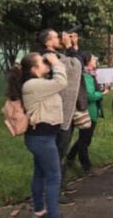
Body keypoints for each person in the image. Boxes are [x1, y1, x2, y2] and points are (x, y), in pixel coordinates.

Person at [7, 51, 67, 218]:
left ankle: (39, 209)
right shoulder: (33, 84)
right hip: (42, 138)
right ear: (34, 68)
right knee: (54, 177)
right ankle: (53, 215)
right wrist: (55, 62)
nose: (46, 63)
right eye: (43, 62)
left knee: (40, 173)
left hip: (41, 137)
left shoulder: (38, 82)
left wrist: (56, 61)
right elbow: (61, 82)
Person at [38, 28, 83, 206]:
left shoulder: (56, 56)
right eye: (56, 37)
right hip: (56, 115)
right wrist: (70, 46)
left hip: (61, 112)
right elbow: (74, 67)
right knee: (56, 154)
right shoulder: (48, 57)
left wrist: (73, 46)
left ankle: (59, 185)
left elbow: (73, 62)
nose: (60, 39)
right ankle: (52, 194)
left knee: (60, 153)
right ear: (48, 42)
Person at [66, 52, 108, 174]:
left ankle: (70, 157)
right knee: (85, 140)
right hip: (88, 112)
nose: (95, 61)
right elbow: (89, 95)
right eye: (93, 59)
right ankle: (87, 167)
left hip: (87, 111)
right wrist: (102, 93)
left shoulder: (86, 75)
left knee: (83, 138)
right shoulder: (86, 77)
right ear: (87, 62)